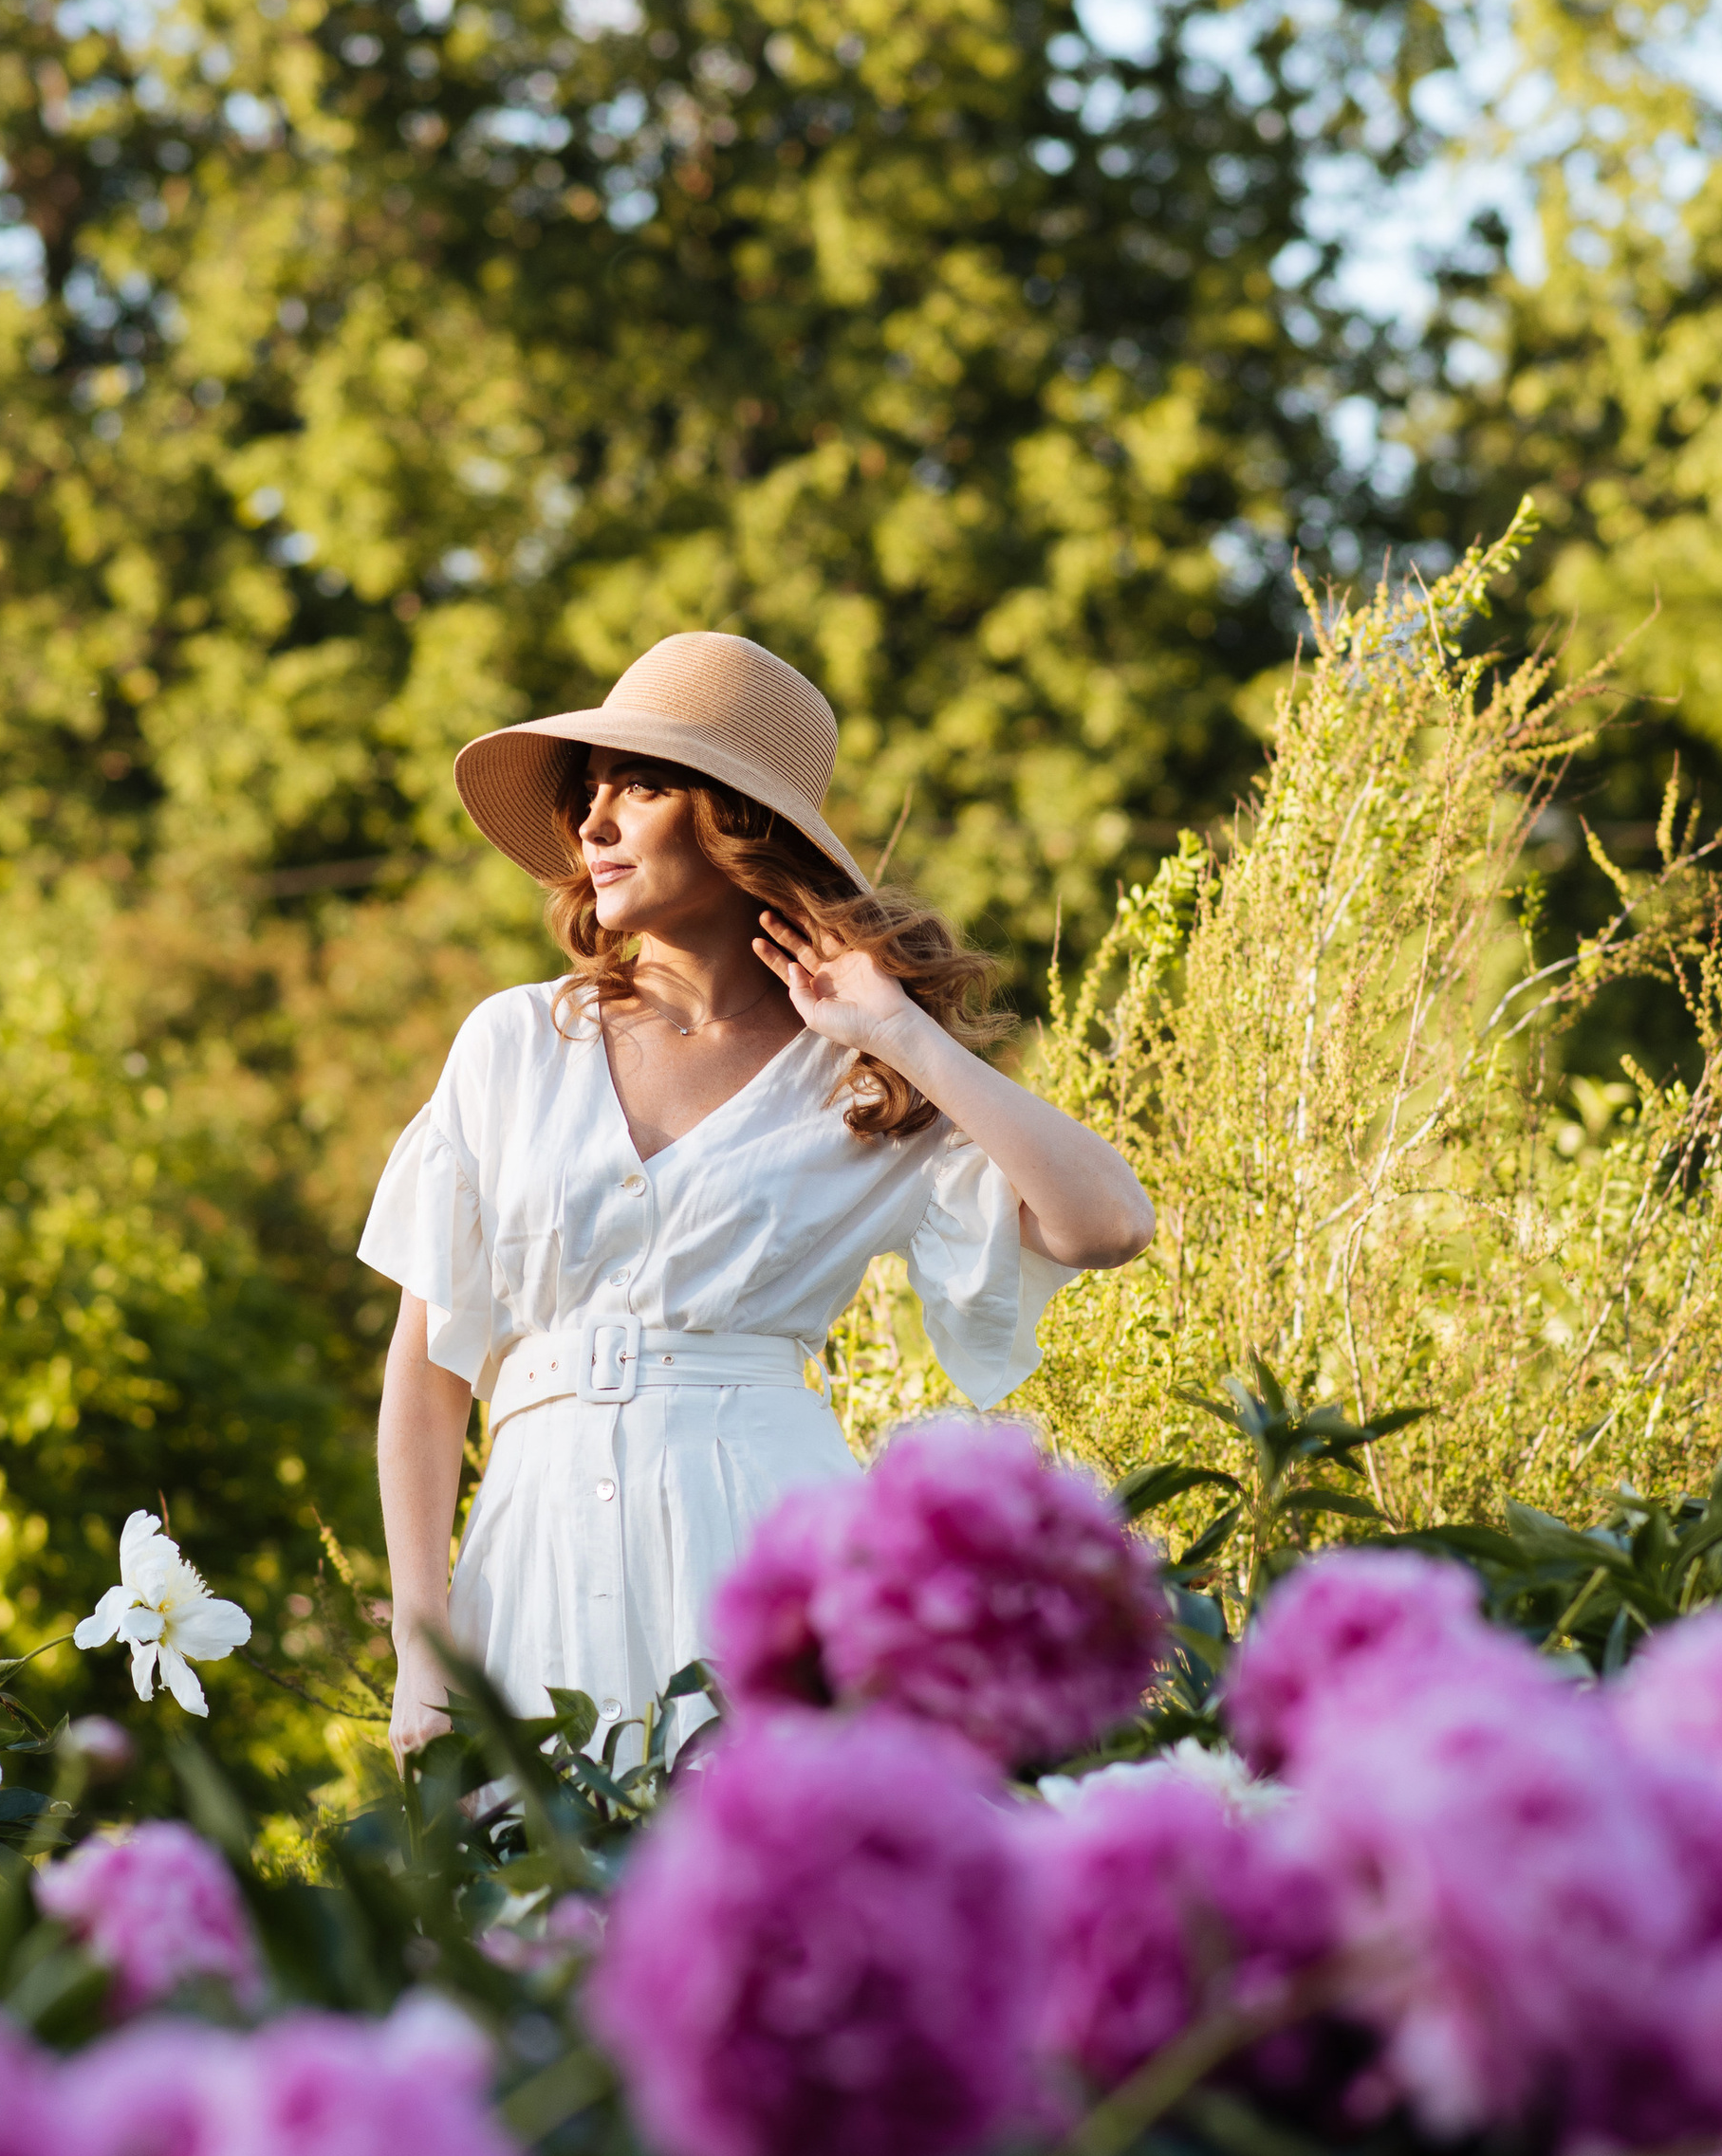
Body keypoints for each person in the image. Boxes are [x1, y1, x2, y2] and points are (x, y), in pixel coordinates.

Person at [362, 631, 1155, 1763]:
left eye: (638, 785)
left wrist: (902, 1035)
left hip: (764, 1555)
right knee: (532, 1917)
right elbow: (426, 1373)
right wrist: (425, 1651)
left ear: (736, 817)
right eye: (588, 792)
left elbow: (1107, 1223)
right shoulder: (511, 1046)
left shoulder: (864, 1083)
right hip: (530, 1552)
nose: (591, 824)